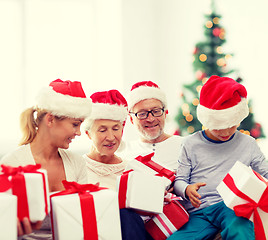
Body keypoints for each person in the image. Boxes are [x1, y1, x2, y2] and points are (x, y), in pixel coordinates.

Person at [168, 75, 268, 240]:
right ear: (207, 120)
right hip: (199, 213)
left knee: (240, 229)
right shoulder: (190, 144)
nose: (226, 132)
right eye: (218, 127)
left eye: (232, 125)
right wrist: (187, 189)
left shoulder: (248, 144)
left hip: (232, 207)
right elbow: (179, 180)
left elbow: (265, 175)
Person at [0, 79, 92, 239]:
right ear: (50, 120)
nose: (78, 133)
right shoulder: (12, 164)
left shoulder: (77, 163)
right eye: (75, 124)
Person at [83, 89, 148, 240]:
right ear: (88, 134)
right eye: (102, 130)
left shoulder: (131, 169)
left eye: (116, 129)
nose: (111, 137)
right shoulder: (77, 167)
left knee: (127, 215)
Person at [117, 80, 183, 172]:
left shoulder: (184, 146)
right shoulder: (123, 153)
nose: (150, 119)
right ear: (132, 119)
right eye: (142, 114)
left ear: (165, 113)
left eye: (156, 111)